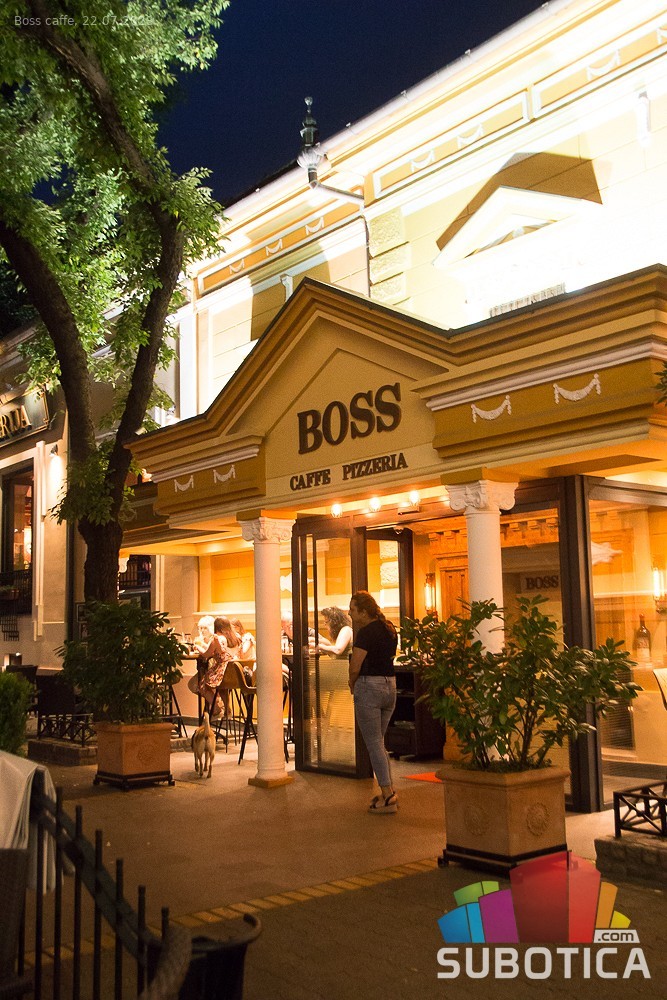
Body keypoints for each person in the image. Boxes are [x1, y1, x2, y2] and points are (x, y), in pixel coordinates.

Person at [348, 591, 399, 814]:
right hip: (390, 686)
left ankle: (388, 794)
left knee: (374, 743)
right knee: (379, 742)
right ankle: (388, 789)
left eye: (352, 609)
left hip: (370, 687)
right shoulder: (389, 628)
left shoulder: (366, 633)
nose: (349, 613)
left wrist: (352, 683)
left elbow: (355, 666)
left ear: (363, 612)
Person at [193, 615, 227, 718]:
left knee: (201, 685)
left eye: (205, 628)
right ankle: (220, 707)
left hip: (218, 669)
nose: (202, 630)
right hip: (225, 668)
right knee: (198, 684)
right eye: (201, 628)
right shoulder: (223, 638)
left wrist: (197, 647)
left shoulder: (215, 639)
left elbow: (206, 654)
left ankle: (217, 708)